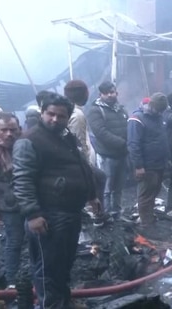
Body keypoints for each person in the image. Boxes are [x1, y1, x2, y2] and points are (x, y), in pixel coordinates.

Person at [12, 92, 101, 308]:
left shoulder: (65, 136)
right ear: (42, 112)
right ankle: (51, 305)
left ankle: (63, 300)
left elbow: (82, 167)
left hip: (70, 212)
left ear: (67, 118)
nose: (54, 119)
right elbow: (23, 180)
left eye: (60, 116)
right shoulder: (30, 140)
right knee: (47, 268)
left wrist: (91, 195)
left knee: (64, 263)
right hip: (47, 215)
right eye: (50, 114)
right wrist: (33, 214)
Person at [65, 80, 108, 226]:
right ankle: (96, 214)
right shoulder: (76, 115)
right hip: (77, 162)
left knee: (100, 178)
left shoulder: (68, 110)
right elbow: (78, 143)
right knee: (97, 179)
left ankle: (95, 212)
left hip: (71, 161)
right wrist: (86, 166)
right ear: (85, 94)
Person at [86, 81, 128, 218]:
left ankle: (116, 213)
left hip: (122, 154)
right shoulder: (95, 110)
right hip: (107, 155)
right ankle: (104, 214)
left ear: (116, 92)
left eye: (112, 92)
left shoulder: (121, 109)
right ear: (100, 95)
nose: (110, 95)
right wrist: (123, 143)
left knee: (119, 187)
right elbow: (101, 133)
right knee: (106, 188)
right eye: (106, 93)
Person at [127, 92, 170, 226]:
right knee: (145, 195)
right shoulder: (137, 119)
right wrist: (139, 166)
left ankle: (148, 216)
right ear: (151, 105)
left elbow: (162, 138)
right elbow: (133, 144)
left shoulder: (158, 116)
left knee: (154, 191)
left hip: (159, 163)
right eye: (158, 109)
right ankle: (146, 224)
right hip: (147, 164)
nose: (160, 112)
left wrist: (167, 158)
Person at [0, 112, 22, 290]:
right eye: (4, 130)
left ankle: (38, 275)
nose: (8, 134)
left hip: (31, 202)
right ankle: (12, 281)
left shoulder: (25, 146)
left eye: (12, 130)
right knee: (14, 241)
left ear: (18, 130)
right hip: (7, 206)